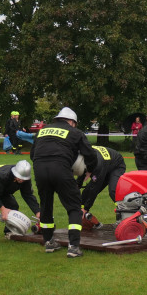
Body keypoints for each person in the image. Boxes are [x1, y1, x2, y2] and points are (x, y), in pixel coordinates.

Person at [31, 107, 99, 258]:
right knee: (74, 207)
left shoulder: (42, 130)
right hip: (61, 168)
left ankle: (48, 242)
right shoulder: (75, 132)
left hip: (39, 168)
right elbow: (90, 153)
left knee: (46, 205)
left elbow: (32, 153)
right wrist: (90, 170)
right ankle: (73, 247)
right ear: (72, 122)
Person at [79, 144, 127, 228]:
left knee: (113, 191)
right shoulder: (83, 157)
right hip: (105, 164)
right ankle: (83, 214)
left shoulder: (97, 166)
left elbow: (94, 189)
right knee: (87, 190)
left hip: (116, 165)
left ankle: (125, 215)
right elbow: (79, 180)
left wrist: (86, 208)